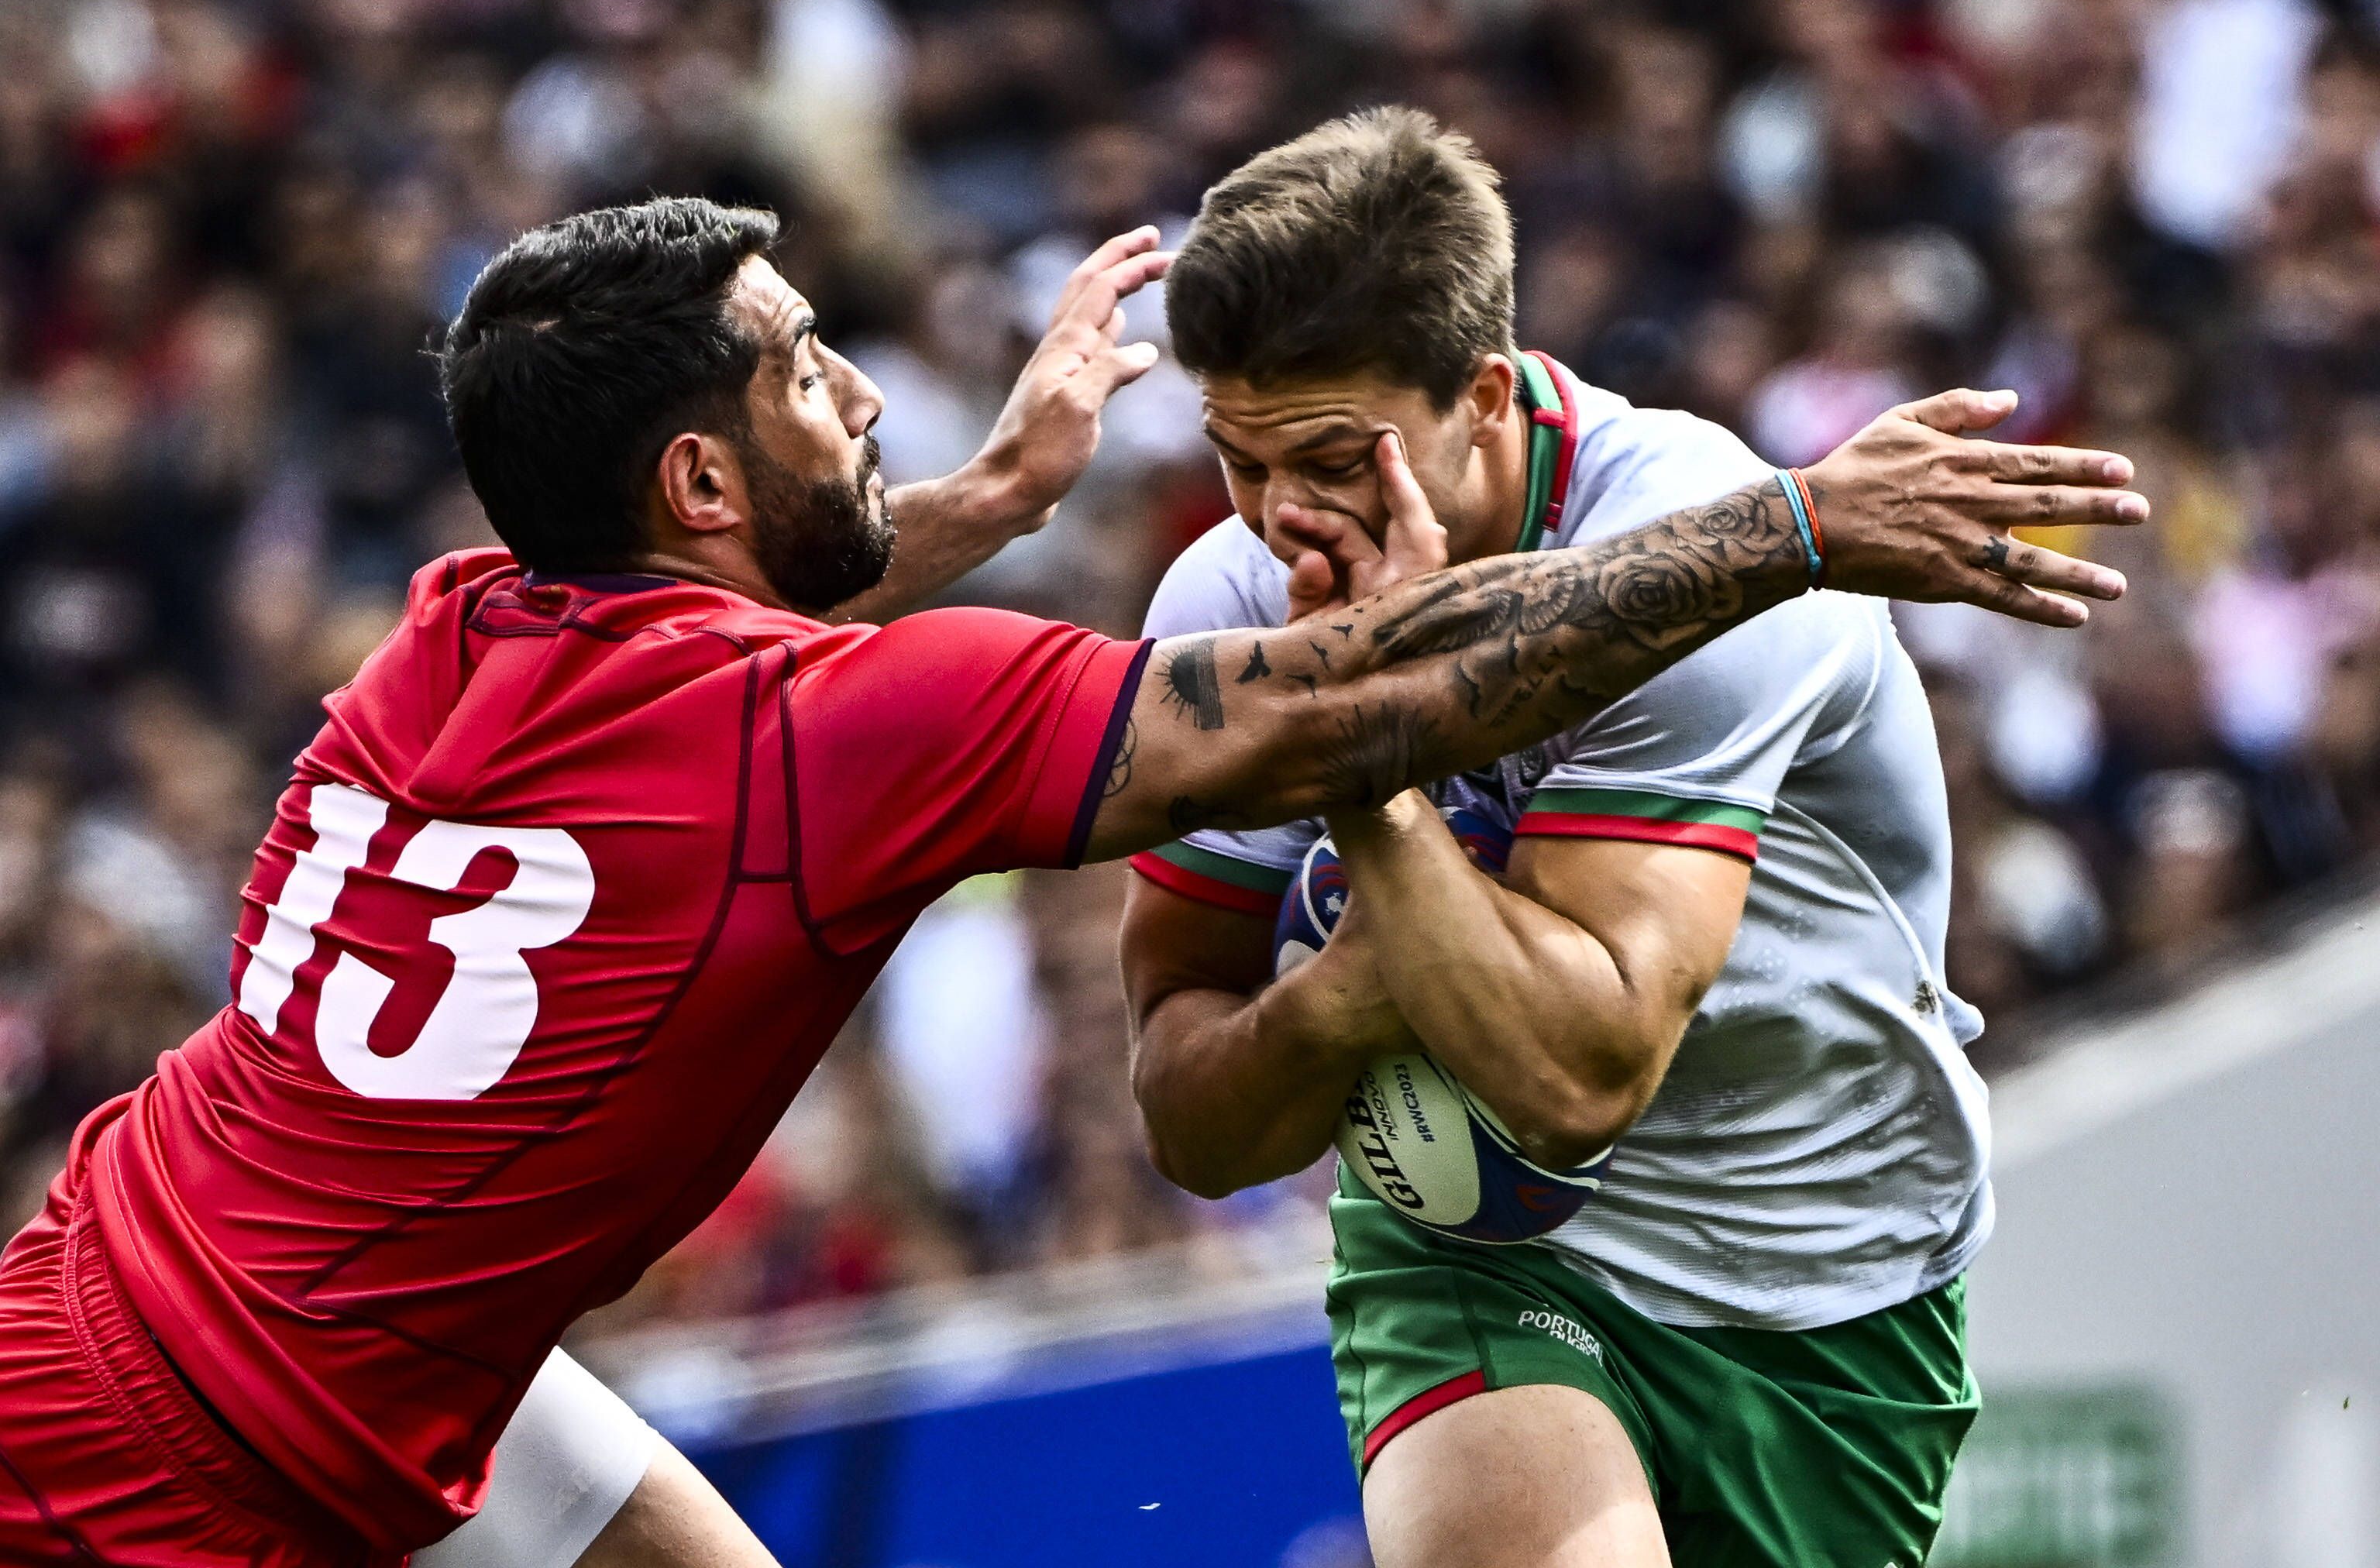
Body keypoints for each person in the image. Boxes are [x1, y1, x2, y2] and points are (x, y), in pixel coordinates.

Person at [0, 191, 2133, 1568]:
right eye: (807, 367)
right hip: (197, 1484)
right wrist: (1793, 530)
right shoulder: (838, 732)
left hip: (140, 1301)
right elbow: (1346, 711)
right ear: (699, 476)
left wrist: (990, 498)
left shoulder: (457, 623)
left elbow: (747, 623)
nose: (861, 390)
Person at [1116, 108, 2123, 1566]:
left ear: (1482, 393)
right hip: (1476, 1247)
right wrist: (1336, 998)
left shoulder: (1709, 557)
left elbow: (1579, 1073)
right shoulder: (1230, 604)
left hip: (1825, 1278)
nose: (1282, 519)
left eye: (1334, 457)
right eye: (1238, 461)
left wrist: (1363, 762)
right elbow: (1192, 1118)